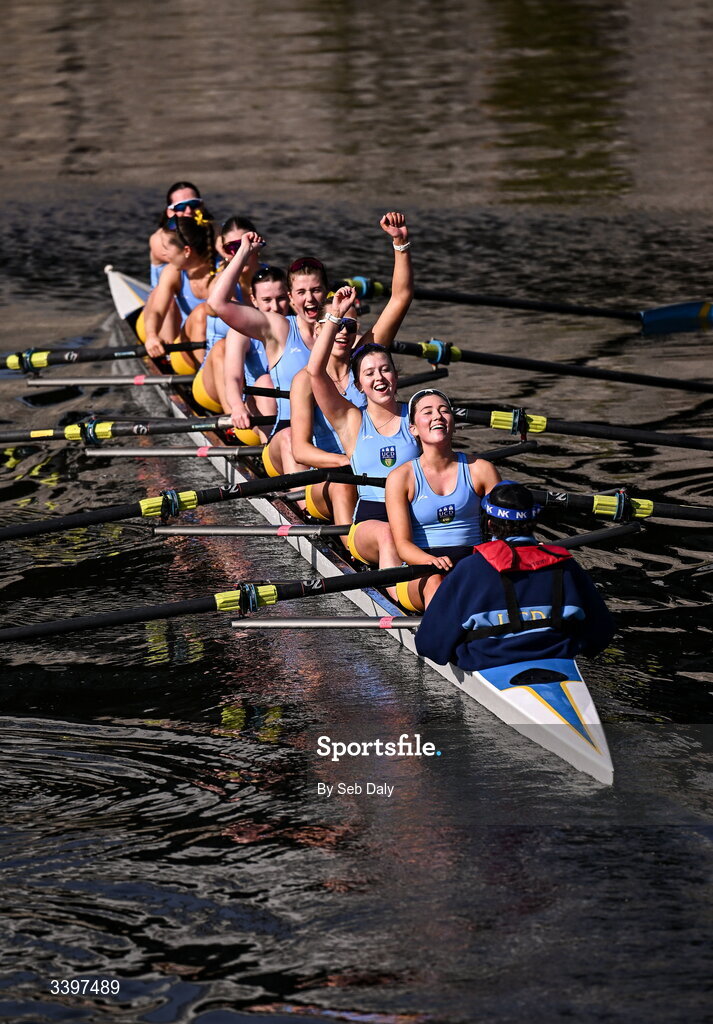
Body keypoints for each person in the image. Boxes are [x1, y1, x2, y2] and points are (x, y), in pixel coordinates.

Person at [291, 212, 413, 524]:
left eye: (349, 324)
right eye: (335, 323)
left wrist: (400, 243)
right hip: (330, 477)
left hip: (377, 470)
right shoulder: (305, 381)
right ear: (319, 331)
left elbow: (401, 297)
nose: (343, 331)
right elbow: (301, 450)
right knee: (345, 485)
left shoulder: (366, 357)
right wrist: (347, 461)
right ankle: (349, 555)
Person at [414, 480, 615, 670]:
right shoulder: (566, 565)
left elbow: (429, 645)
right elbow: (601, 634)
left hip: (488, 662)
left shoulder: (470, 568)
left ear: (490, 524)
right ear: (534, 521)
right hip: (557, 659)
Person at [306, 285, 421, 576]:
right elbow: (315, 372)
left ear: (396, 375)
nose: (379, 378)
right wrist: (334, 317)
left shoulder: (418, 414)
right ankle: (398, 610)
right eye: (369, 373)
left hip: (416, 512)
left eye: (385, 370)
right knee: (388, 535)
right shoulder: (352, 421)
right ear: (359, 386)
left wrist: (400, 244)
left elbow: (403, 294)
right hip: (372, 521)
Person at [210, 237, 330, 475]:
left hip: (331, 429)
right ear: (293, 295)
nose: (309, 298)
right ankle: (302, 505)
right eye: (302, 292)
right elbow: (217, 302)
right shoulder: (279, 328)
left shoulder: (340, 330)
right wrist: (243, 252)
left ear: (326, 291)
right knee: (266, 387)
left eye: (316, 290)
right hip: (285, 431)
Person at [385, 388, 501, 611]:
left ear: (453, 423)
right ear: (413, 429)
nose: (437, 416)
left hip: (472, 564)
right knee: (437, 582)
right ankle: (441, 639)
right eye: (427, 412)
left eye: (444, 411)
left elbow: (502, 531)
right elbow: (403, 546)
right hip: (422, 571)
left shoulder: (482, 470)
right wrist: (430, 562)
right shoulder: (401, 478)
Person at [142, 215, 217, 359]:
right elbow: (157, 311)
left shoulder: (221, 270)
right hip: (186, 351)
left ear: (187, 251)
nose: (163, 253)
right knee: (201, 313)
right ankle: (202, 371)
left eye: (166, 248)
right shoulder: (172, 272)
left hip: (222, 346)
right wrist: (151, 335)